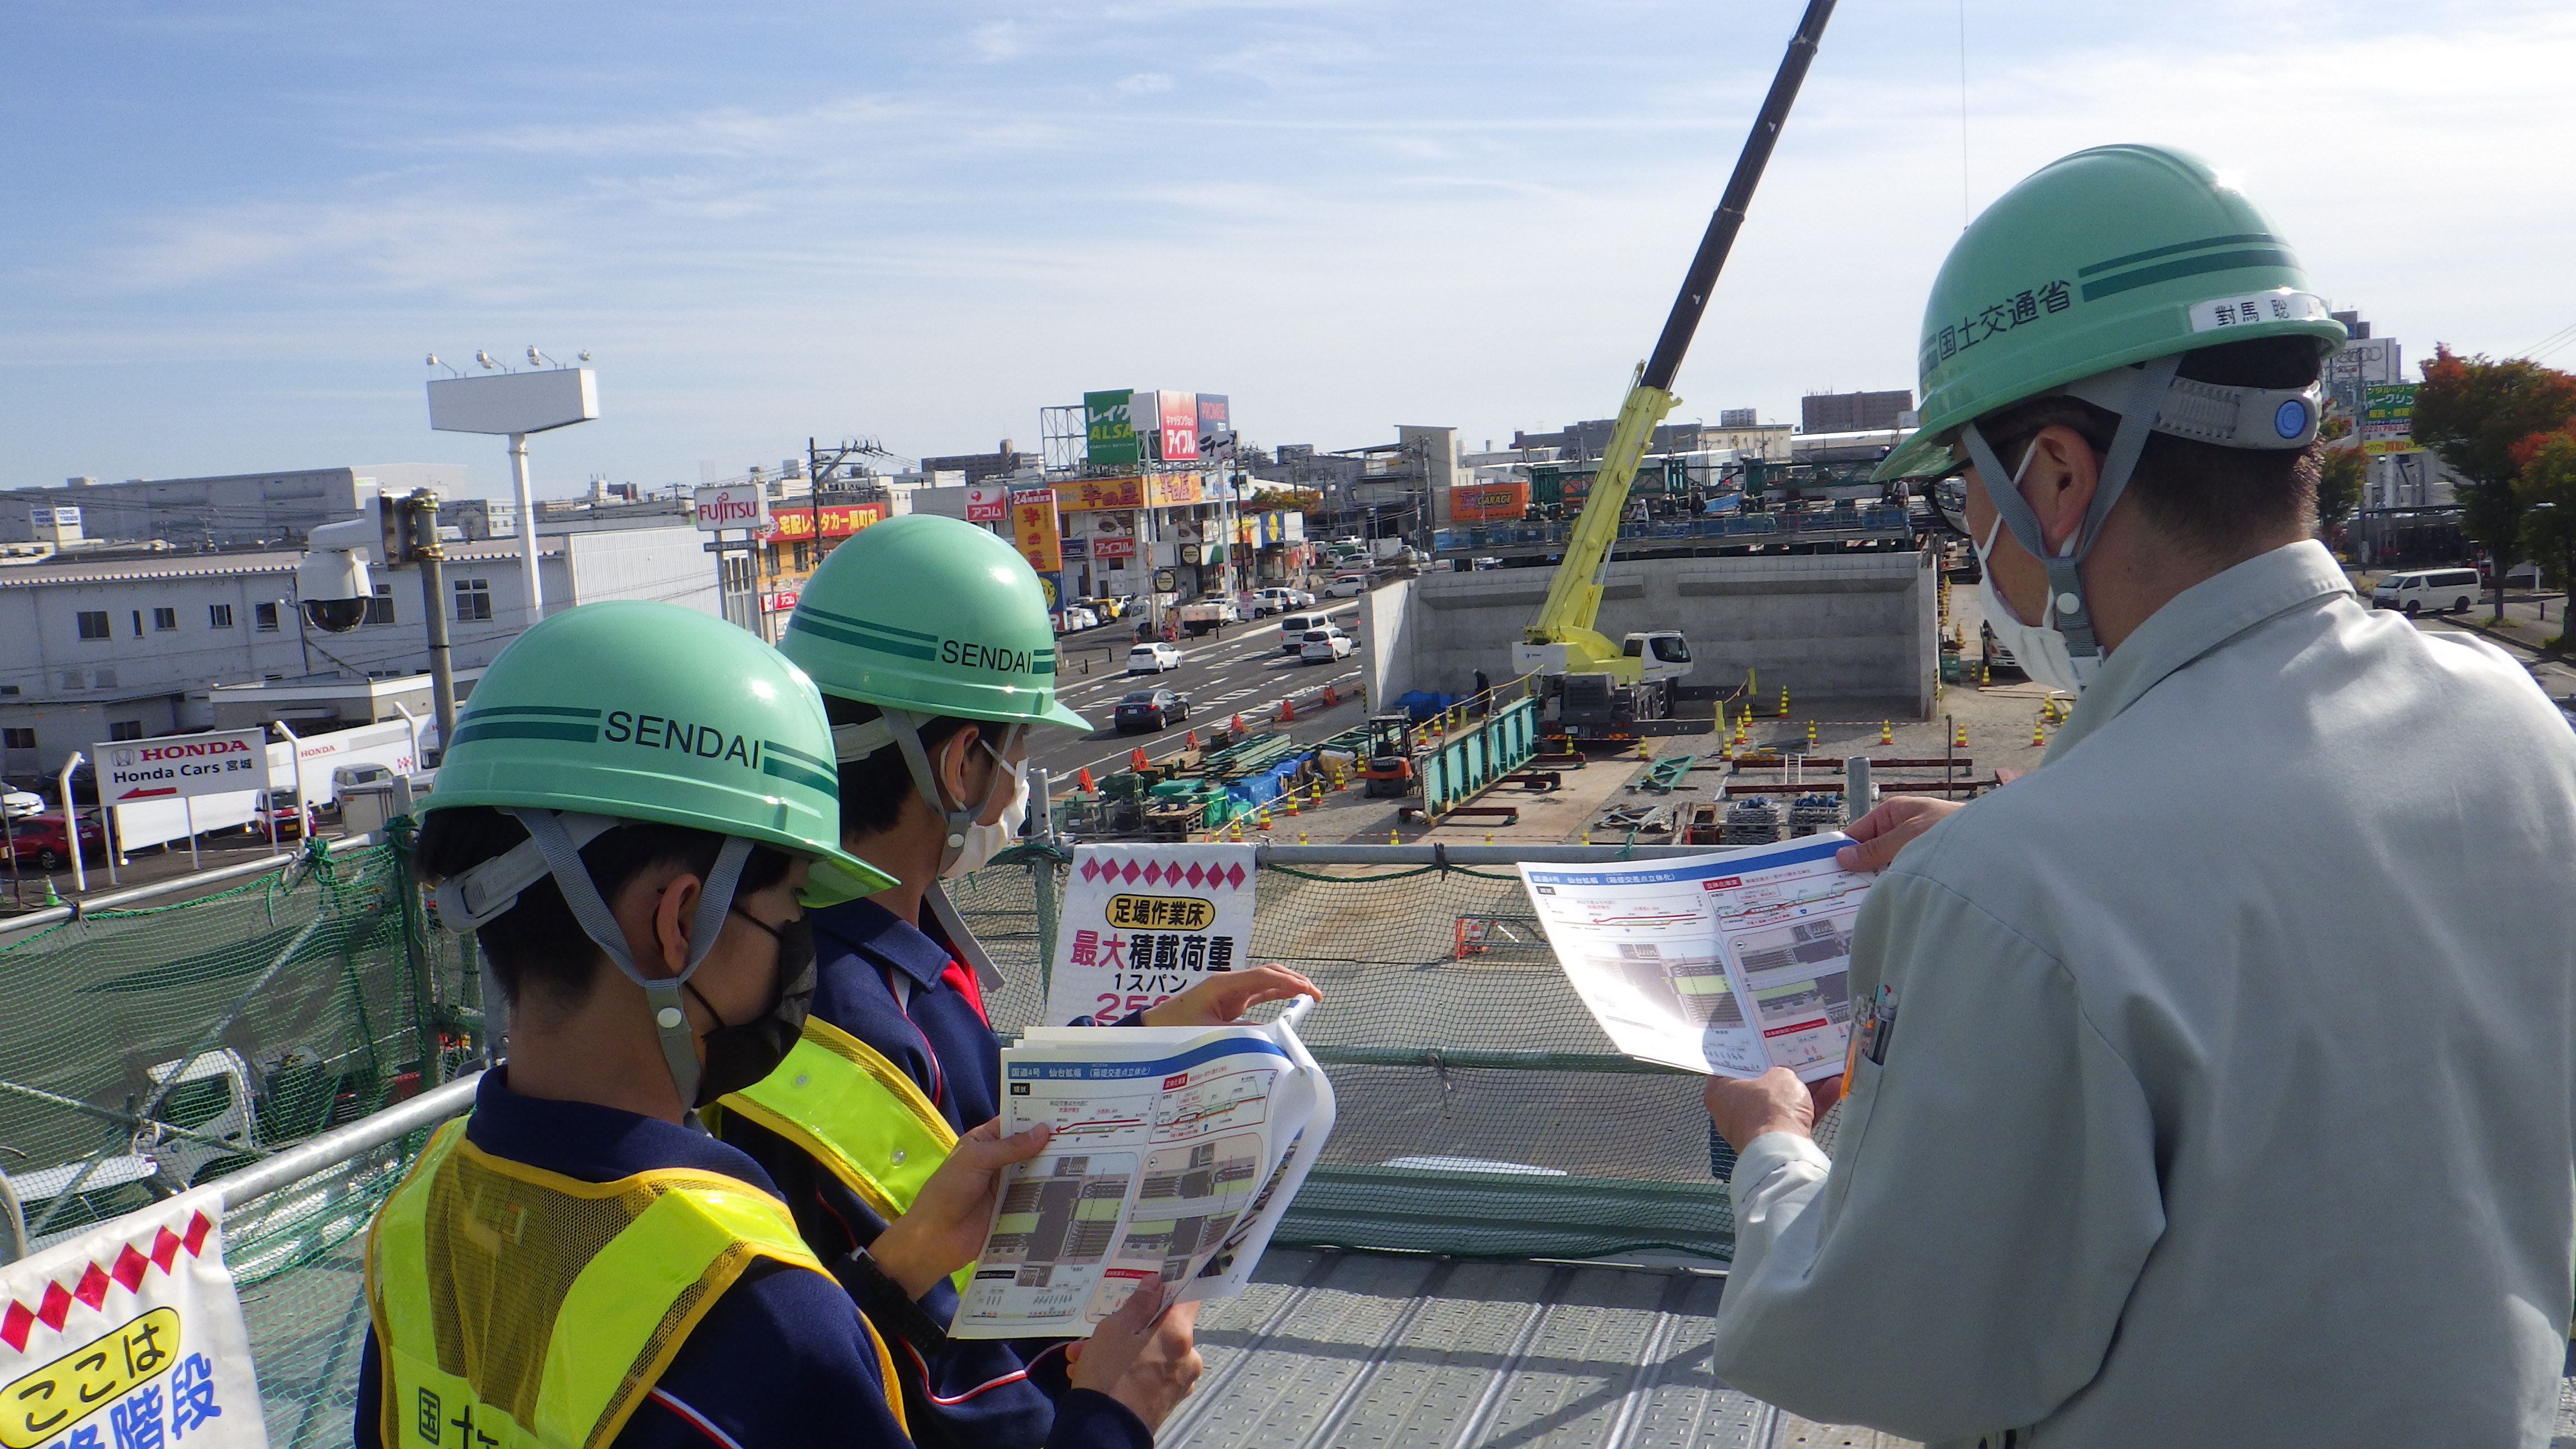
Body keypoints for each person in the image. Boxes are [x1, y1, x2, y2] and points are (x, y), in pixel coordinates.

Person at [1702, 144, 2576, 1447]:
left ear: (2055, 478)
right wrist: (2012, 860)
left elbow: (1868, 1343)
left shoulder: (2015, 893)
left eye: (1966, 496)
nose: (1972, 542)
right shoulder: (2510, 717)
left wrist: (1772, 1145)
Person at [357, 600, 1186, 1449]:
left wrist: (892, 1278)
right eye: (790, 901)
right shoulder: (750, 1297)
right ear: (679, 923)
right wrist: (1113, 1416)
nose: (802, 943)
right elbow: (758, 1370)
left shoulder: (417, 1219)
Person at [715, 515, 1309, 1447]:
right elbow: (956, 1357)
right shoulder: (860, 1014)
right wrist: (1112, 1405)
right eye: (1018, 752)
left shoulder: (836, 951)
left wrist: (1151, 1032)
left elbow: (971, 1127)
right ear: (959, 764)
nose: (1019, 783)